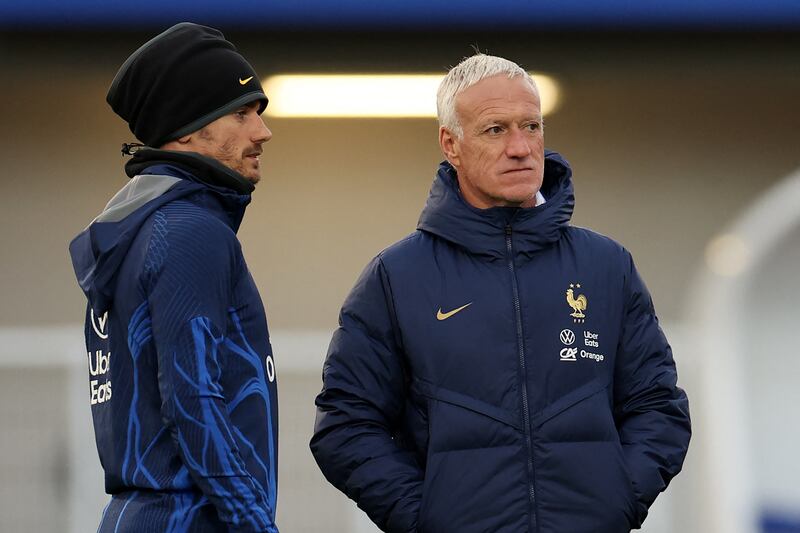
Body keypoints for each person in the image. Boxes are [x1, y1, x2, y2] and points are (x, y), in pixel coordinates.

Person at [310, 53, 690, 533]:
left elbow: (658, 406)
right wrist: (429, 519)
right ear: (452, 144)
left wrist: (616, 501)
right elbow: (345, 427)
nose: (520, 147)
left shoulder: (606, 266)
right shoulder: (396, 277)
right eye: (496, 130)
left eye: (531, 126)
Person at [69, 23, 279, 532]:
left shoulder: (144, 227)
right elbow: (193, 400)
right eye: (241, 112)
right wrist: (256, 525)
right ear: (187, 129)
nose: (262, 131)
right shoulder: (190, 230)